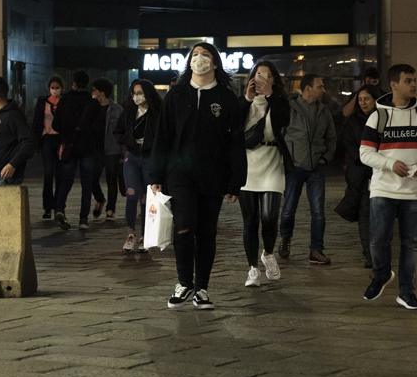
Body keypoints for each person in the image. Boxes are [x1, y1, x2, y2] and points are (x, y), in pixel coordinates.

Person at [150, 42, 246, 310]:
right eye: (195, 55)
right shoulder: (176, 95)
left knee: (207, 231)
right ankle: (183, 283)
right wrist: (156, 173)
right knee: (184, 224)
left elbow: (235, 142)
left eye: (205, 55)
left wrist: (235, 182)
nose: (199, 59)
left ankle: (201, 288)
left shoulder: (226, 98)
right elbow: (163, 136)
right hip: (179, 173)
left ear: (215, 62)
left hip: (213, 175)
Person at [359, 64, 417, 311]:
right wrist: (388, 163)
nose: (413, 85)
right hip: (383, 189)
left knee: (412, 243)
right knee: (378, 240)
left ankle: (407, 292)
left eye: (414, 80)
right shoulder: (378, 116)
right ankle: (381, 274)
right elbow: (365, 152)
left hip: (414, 190)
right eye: (408, 80)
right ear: (394, 84)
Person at [277, 74, 337, 265]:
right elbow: (280, 136)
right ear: (308, 89)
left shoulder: (324, 111)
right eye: (320, 86)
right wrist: (287, 160)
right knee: (288, 210)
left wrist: (325, 158)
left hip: (316, 168)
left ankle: (316, 250)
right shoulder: (290, 109)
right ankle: (285, 240)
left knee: (318, 211)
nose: (323, 89)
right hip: (294, 167)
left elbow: (331, 138)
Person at [239, 61, 289, 287]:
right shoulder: (244, 102)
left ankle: (268, 252)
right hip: (248, 162)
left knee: (269, 217)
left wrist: (271, 97)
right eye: (258, 74)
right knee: (250, 219)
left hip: (272, 161)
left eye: (267, 75)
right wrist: (247, 99)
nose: (262, 79)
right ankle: (252, 269)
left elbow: (283, 119)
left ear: (273, 80)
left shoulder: (279, 101)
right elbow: (233, 127)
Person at [113, 79, 161, 253]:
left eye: (140, 93)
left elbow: (164, 136)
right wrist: (128, 143)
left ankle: (145, 236)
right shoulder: (128, 111)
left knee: (146, 199)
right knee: (132, 194)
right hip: (132, 157)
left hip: (149, 158)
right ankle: (131, 233)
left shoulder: (157, 113)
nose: (137, 96)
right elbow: (117, 132)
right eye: (134, 93)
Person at [336, 85, 379, 269]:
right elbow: (349, 147)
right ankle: (369, 254)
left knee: (380, 215)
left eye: (366, 99)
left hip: (380, 173)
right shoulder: (352, 122)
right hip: (361, 176)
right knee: (365, 215)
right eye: (360, 99)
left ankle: (377, 251)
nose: (363, 103)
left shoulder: (383, 119)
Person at [52, 71, 101, 230]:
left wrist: (67, 133)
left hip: (70, 145)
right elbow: (98, 128)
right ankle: (83, 219)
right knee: (87, 184)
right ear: (87, 84)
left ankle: (59, 209)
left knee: (66, 180)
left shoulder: (65, 100)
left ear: (73, 83)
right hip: (87, 147)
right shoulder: (92, 103)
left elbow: (55, 125)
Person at [91, 78, 124, 221]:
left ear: (102, 92)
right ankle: (100, 198)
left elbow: (122, 131)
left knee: (112, 179)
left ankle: (111, 209)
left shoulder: (117, 109)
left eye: (95, 90)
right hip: (95, 149)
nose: (93, 93)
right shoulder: (91, 107)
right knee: (92, 178)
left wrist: (123, 151)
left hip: (112, 149)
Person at [32, 76, 64, 220]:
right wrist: (35, 140)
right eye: (53, 87)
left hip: (61, 140)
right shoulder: (42, 102)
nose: (55, 90)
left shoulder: (65, 102)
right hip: (46, 139)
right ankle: (47, 207)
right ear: (49, 88)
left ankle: (58, 206)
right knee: (48, 173)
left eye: (57, 87)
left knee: (60, 174)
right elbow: (36, 121)